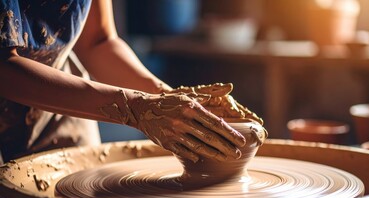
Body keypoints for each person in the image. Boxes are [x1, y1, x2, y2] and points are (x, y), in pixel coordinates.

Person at [0, 1, 262, 164]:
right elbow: (4, 67)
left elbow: (98, 42)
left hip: (58, 102)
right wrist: (136, 108)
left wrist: (170, 100)